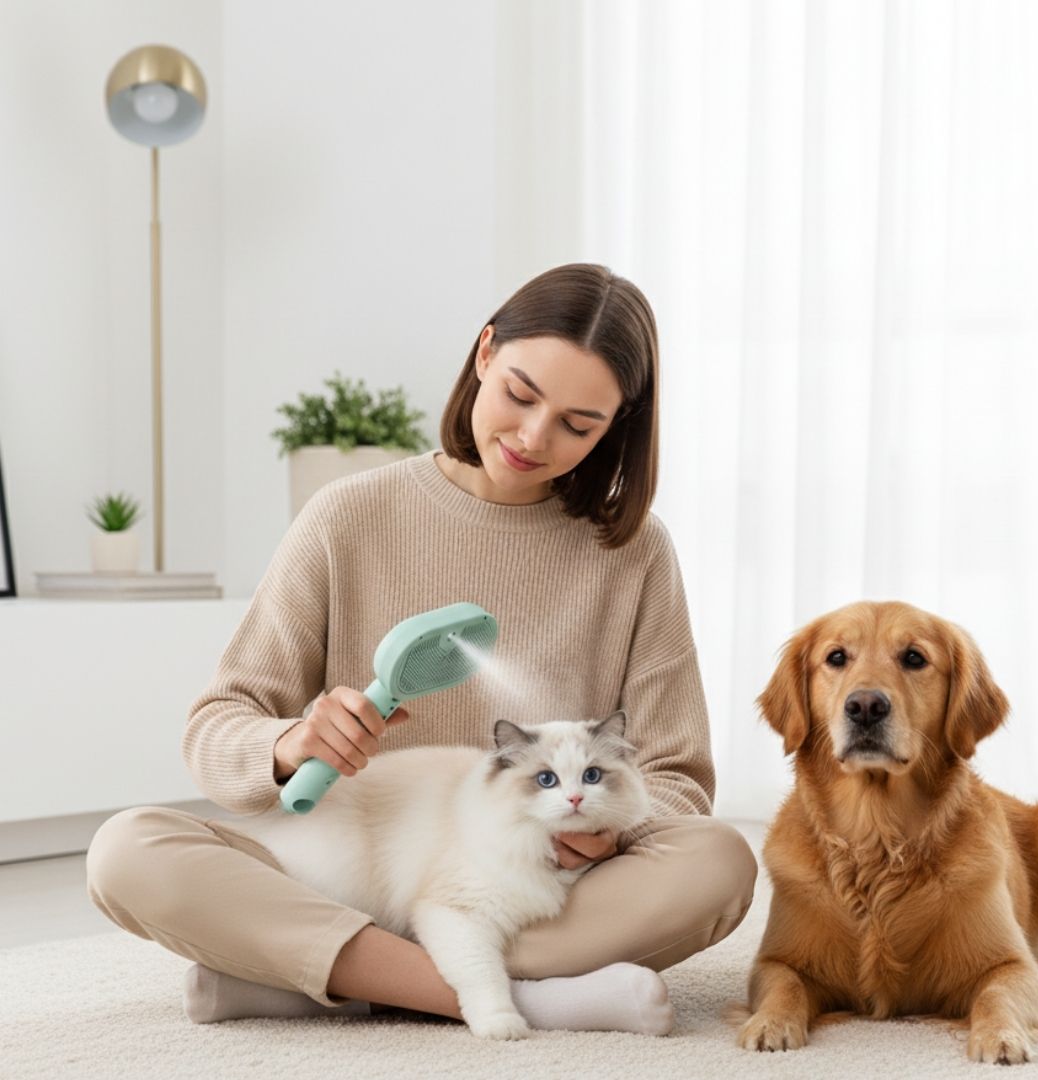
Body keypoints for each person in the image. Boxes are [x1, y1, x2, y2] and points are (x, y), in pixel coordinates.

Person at [86, 263, 757, 1035]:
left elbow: (676, 776)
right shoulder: (349, 515)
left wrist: (598, 836)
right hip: (348, 873)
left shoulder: (632, 552)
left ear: (618, 426)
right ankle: (512, 997)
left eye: (578, 425)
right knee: (127, 851)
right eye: (520, 394)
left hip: (533, 897)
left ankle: (328, 974)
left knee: (720, 863)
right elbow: (218, 726)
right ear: (483, 355)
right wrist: (289, 742)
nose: (533, 438)